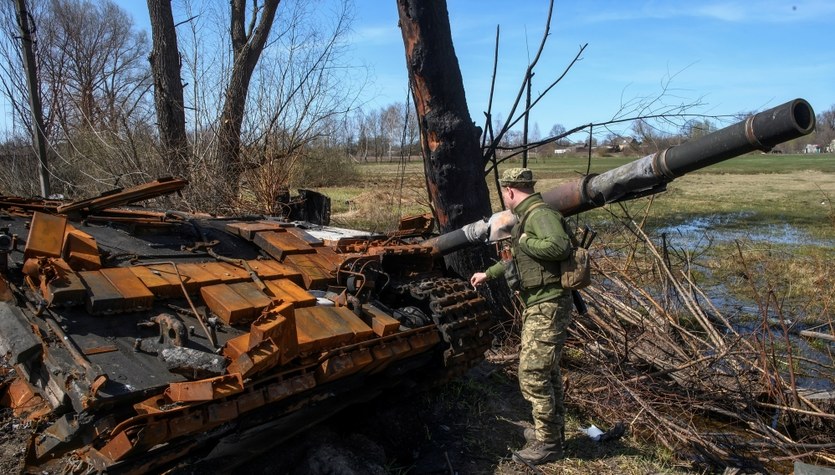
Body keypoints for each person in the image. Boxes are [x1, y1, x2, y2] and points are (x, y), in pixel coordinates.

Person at [470, 168, 572, 466]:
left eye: (504, 192)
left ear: (510, 191)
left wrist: (526, 241)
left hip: (548, 303)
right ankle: (550, 432)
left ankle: (549, 444)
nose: (504, 197)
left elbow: (559, 246)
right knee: (547, 371)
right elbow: (515, 259)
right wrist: (488, 274)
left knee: (532, 373)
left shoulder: (540, 215)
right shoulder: (526, 218)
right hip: (538, 303)